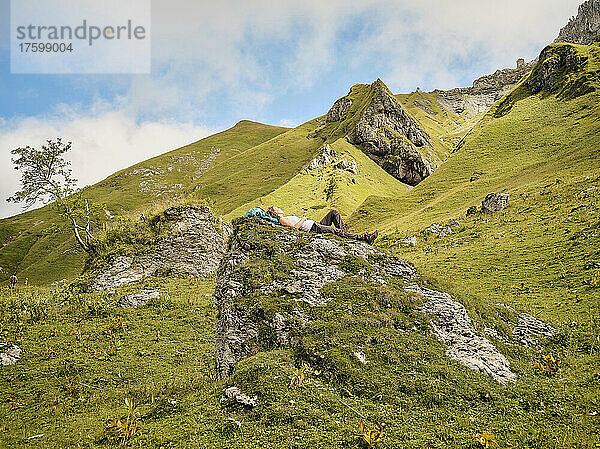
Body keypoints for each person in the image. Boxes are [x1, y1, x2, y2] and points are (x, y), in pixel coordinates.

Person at [266, 207, 378, 244]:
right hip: (313, 228)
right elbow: (295, 228)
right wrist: (303, 219)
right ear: (275, 213)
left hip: (315, 224)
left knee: (333, 212)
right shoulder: (282, 220)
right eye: (277, 208)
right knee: (335, 230)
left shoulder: (284, 218)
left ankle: (344, 234)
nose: (279, 208)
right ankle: (364, 238)